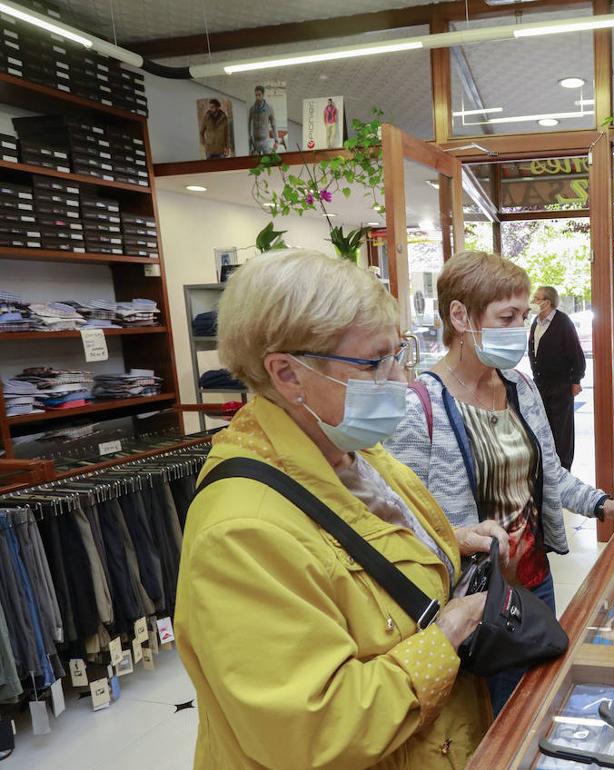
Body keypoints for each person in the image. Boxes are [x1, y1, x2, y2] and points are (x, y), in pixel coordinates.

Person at [176, 249, 509, 769]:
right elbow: (313, 728)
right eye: (375, 362)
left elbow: (359, 546)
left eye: (398, 354)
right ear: (288, 374)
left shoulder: (350, 450)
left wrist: (449, 539)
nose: (401, 380)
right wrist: (448, 634)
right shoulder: (241, 533)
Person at [387, 250, 614, 715]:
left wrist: (605, 504)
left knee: (534, 708)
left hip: (534, 584)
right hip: (472, 603)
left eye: (522, 316)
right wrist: (458, 538)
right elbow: (398, 522)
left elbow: (550, 473)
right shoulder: (419, 406)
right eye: (506, 317)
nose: (518, 328)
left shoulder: (519, 388)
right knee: (492, 723)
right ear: (460, 316)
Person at [528, 285, 586, 470]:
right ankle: (550, 469)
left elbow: (576, 354)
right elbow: (533, 352)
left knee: (562, 431)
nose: (533, 302)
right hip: (541, 385)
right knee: (546, 429)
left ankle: (564, 469)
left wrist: (576, 380)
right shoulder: (536, 322)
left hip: (560, 385)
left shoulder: (563, 322)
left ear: (548, 302)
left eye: (537, 298)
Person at [248, 85, 277, 154]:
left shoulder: (269, 108)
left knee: (267, 159)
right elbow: (249, 124)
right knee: (255, 160)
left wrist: (276, 140)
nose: (257, 97)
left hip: (265, 141)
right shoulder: (252, 109)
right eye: (256, 95)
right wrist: (250, 138)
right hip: (255, 141)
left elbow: (273, 124)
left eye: (259, 95)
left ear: (263, 95)